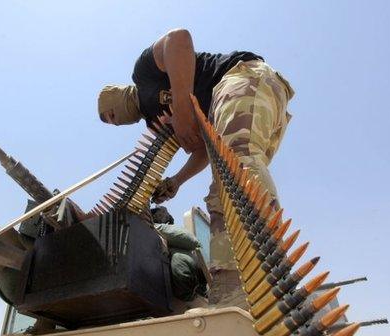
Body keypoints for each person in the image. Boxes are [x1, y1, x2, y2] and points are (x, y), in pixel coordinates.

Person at [98, 29, 294, 308]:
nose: (112, 120)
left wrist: (181, 104)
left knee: (236, 165)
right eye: (107, 122)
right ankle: (232, 285)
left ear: (116, 95)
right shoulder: (156, 121)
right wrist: (177, 180)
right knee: (224, 191)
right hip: (229, 109)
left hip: (241, 77)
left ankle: (265, 274)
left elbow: (179, 40)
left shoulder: (142, 76)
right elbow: (201, 149)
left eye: (108, 112)